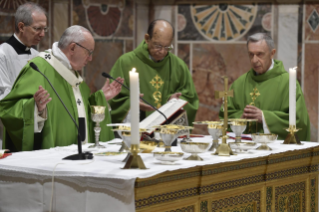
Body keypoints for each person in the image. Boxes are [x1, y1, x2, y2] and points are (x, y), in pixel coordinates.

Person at [0, 25, 123, 152]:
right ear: (73, 48)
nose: (90, 58)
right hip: (51, 163)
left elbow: (79, 110)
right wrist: (35, 108)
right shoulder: (39, 69)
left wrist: (101, 98)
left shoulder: (72, 72)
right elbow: (9, 111)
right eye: (89, 52)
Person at [219, 33, 310, 141]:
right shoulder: (239, 84)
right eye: (251, 54)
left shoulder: (288, 83)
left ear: (272, 53)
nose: (254, 60)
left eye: (259, 54)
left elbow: (299, 122)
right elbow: (224, 117)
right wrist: (241, 119)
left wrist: (264, 117)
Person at [109, 19, 199, 125]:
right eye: (158, 46)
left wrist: (174, 103)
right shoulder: (126, 62)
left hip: (166, 133)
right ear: (147, 38)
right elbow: (113, 99)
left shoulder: (178, 66)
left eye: (167, 47)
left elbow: (190, 98)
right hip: (136, 132)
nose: (162, 51)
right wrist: (132, 104)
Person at [0, 2, 47, 149]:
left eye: (44, 29)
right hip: (14, 127)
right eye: (37, 29)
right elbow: (5, 98)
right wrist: (31, 107)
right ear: (21, 27)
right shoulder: (2, 54)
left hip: (38, 120)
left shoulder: (37, 56)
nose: (43, 34)